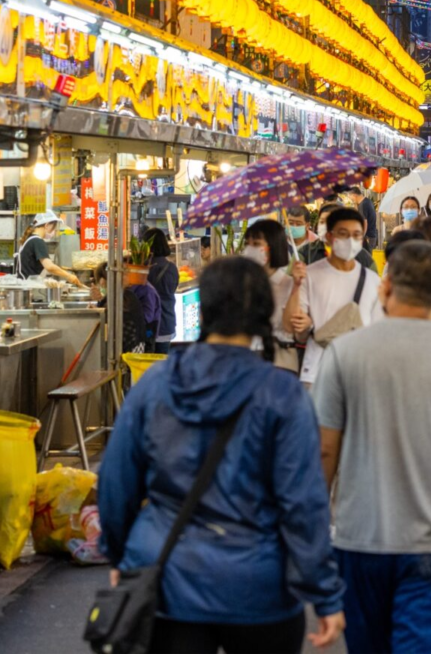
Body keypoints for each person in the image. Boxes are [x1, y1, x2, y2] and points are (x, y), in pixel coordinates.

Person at [99, 258, 344, 653]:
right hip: (260, 590)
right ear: (264, 313)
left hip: (167, 580)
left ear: (205, 308)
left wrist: (121, 555)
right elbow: (304, 502)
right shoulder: (283, 395)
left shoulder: (156, 384)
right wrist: (325, 593)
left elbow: (116, 481)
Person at [314, 241, 431, 654]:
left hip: (358, 541)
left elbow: (325, 452)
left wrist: (313, 530)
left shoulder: (344, 355)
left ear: (385, 288)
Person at [283, 208, 383, 390]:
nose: (350, 241)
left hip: (358, 373)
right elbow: (295, 330)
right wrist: (296, 286)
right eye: (343, 234)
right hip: (316, 372)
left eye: (356, 235)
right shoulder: (309, 275)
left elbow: (378, 333)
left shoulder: (372, 279)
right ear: (329, 237)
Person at [246, 219, 306, 373]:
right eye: (248, 243)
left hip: (280, 362)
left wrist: (296, 287)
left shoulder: (289, 284)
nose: (249, 249)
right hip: (248, 361)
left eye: (256, 244)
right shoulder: (243, 284)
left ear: (273, 246)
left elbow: (292, 328)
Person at [15, 211, 83, 287]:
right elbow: (49, 267)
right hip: (27, 287)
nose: (53, 231)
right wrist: (69, 276)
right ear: (47, 225)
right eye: (53, 228)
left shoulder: (31, 239)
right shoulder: (37, 241)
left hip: (24, 285)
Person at [140, 228, 180, 351]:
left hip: (148, 325)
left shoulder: (142, 268)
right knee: (161, 363)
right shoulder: (172, 268)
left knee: (145, 365)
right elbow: (172, 289)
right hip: (167, 322)